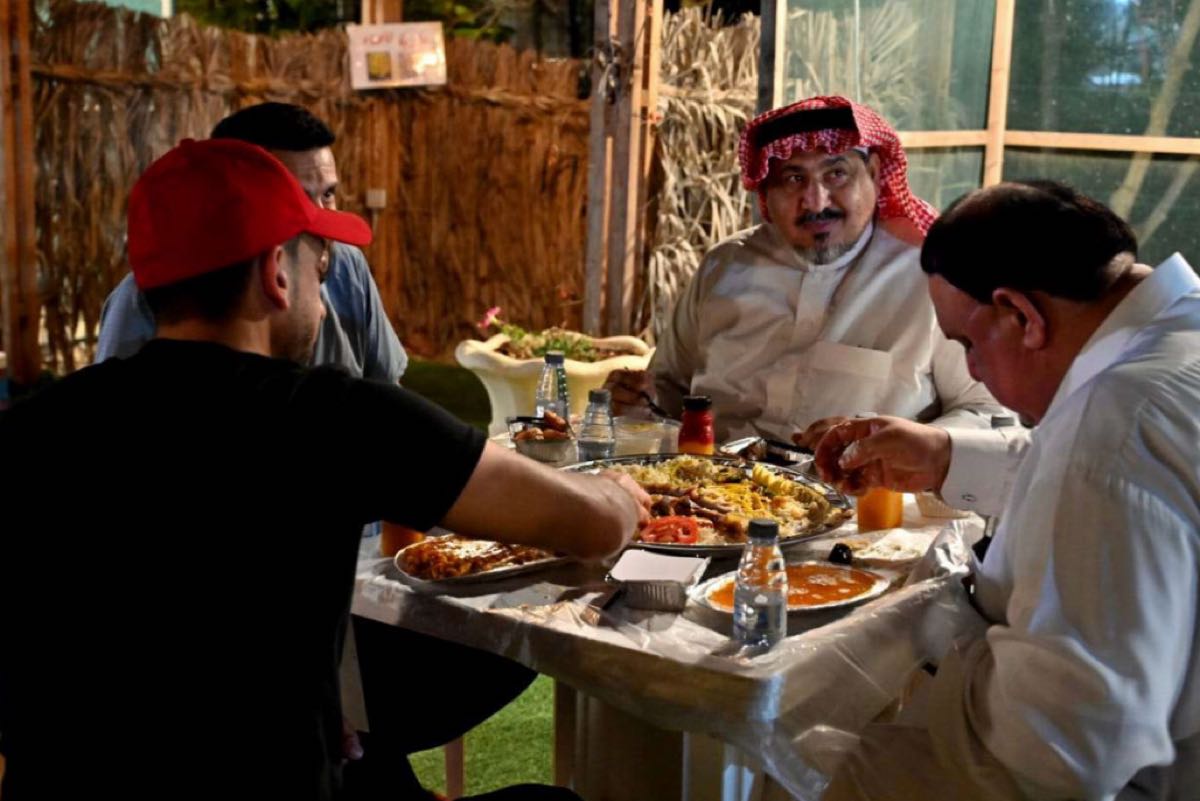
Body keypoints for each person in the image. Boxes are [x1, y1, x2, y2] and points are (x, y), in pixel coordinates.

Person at [0, 138, 649, 801]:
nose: (325, 278)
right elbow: (591, 525)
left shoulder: (28, 429)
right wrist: (619, 491)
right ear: (275, 273)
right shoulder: (334, 417)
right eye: (319, 260)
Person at [816, 181, 1200, 800]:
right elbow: (1119, 488)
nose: (971, 369)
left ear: (1021, 315)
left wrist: (954, 645)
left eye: (968, 343)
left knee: (831, 757)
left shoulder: (1113, 424)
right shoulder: (1177, 336)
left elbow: (1066, 745)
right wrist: (946, 456)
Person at [605, 95, 1001, 444]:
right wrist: (642, 400)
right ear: (766, 191)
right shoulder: (724, 268)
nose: (815, 201)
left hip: (865, 501)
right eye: (793, 178)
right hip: (711, 494)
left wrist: (895, 442)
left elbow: (988, 415)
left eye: (836, 174)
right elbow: (671, 387)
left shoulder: (931, 279)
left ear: (875, 174)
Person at [95, 102, 407, 384]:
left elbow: (386, 384)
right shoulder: (155, 294)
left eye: (328, 194)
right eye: (296, 198)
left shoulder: (348, 267)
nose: (320, 217)